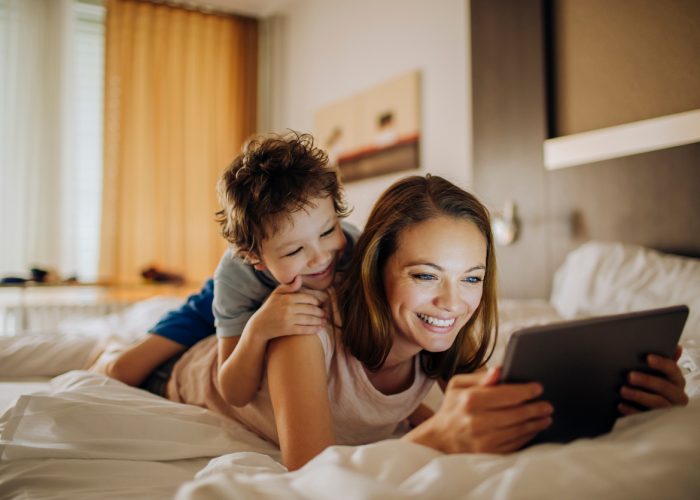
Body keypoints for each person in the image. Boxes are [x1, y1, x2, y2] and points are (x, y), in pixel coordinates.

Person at [164, 174, 688, 471]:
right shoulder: (302, 328)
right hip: (191, 375)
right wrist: (443, 437)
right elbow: (311, 479)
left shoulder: (442, 343)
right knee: (132, 358)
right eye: (425, 274)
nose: (451, 304)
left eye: (471, 278)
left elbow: (483, 416)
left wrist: (634, 406)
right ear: (376, 269)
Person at [98, 132, 360, 403]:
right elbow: (234, 392)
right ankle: (108, 350)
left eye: (328, 231)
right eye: (295, 250)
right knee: (123, 371)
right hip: (209, 305)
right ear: (254, 257)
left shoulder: (355, 247)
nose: (320, 257)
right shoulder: (235, 275)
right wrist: (256, 330)